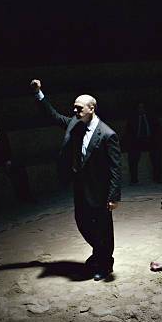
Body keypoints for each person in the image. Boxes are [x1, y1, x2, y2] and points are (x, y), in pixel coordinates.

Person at [30, 79, 121, 281]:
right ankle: (99, 253)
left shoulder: (108, 135)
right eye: (74, 107)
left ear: (92, 108)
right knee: (82, 223)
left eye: (79, 108)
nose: (75, 110)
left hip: (99, 190)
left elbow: (116, 168)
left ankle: (105, 264)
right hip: (80, 187)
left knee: (103, 229)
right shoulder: (74, 122)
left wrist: (114, 196)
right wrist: (39, 94)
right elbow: (52, 116)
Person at [122, 102, 162, 184]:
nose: (141, 109)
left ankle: (157, 177)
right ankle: (134, 179)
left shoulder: (152, 118)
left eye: (143, 107)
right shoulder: (133, 119)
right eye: (139, 108)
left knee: (157, 153)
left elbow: (157, 130)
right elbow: (128, 133)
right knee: (133, 154)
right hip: (136, 141)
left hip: (150, 140)